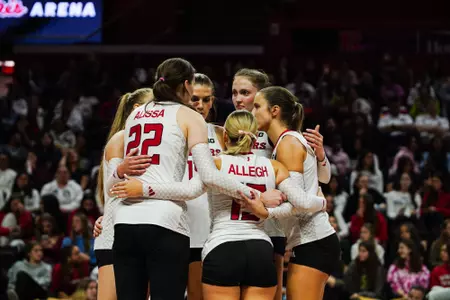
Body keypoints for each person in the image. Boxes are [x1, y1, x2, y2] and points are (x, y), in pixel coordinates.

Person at [106, 58, 285, 300]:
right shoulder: (189, 118)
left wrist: (121, 177)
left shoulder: (135, 116)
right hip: (168, 221)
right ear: (187, 86)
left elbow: (114, 186)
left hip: (128, 223)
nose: (199, 103)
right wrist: (257, 194)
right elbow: (207, 178)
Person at [231, 69, 331, 300]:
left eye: (246, 94)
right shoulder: (232, 131)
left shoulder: (283, 138)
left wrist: (321, 157)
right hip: (254, 226)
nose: (238, 99)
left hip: (284, 230)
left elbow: (319, 182)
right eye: (234, 92)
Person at [93, 88, 154, 300]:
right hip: (112, 237)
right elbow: (114, 192)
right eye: (154, 108)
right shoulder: (121, 139)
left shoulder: (149, 142)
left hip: (137, 233)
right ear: (137, 109)